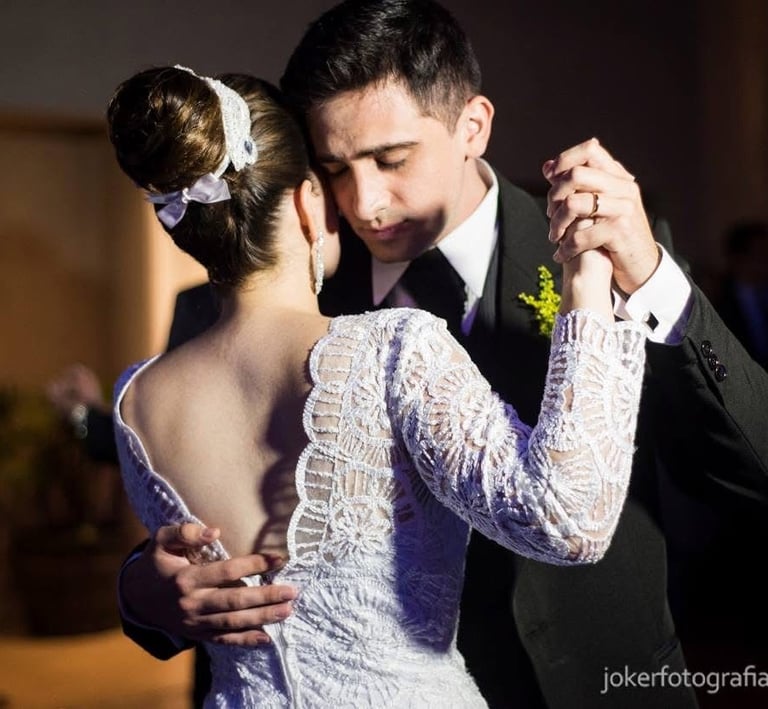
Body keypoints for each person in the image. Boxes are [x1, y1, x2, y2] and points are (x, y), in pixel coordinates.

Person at [118, 1, 768, 707]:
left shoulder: (614, 256)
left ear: (472, 127)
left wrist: (648, 279)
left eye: (391, 159)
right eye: (334, 166)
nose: (365, 203)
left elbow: (754, 466)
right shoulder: (258, 301)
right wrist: (141, 596)